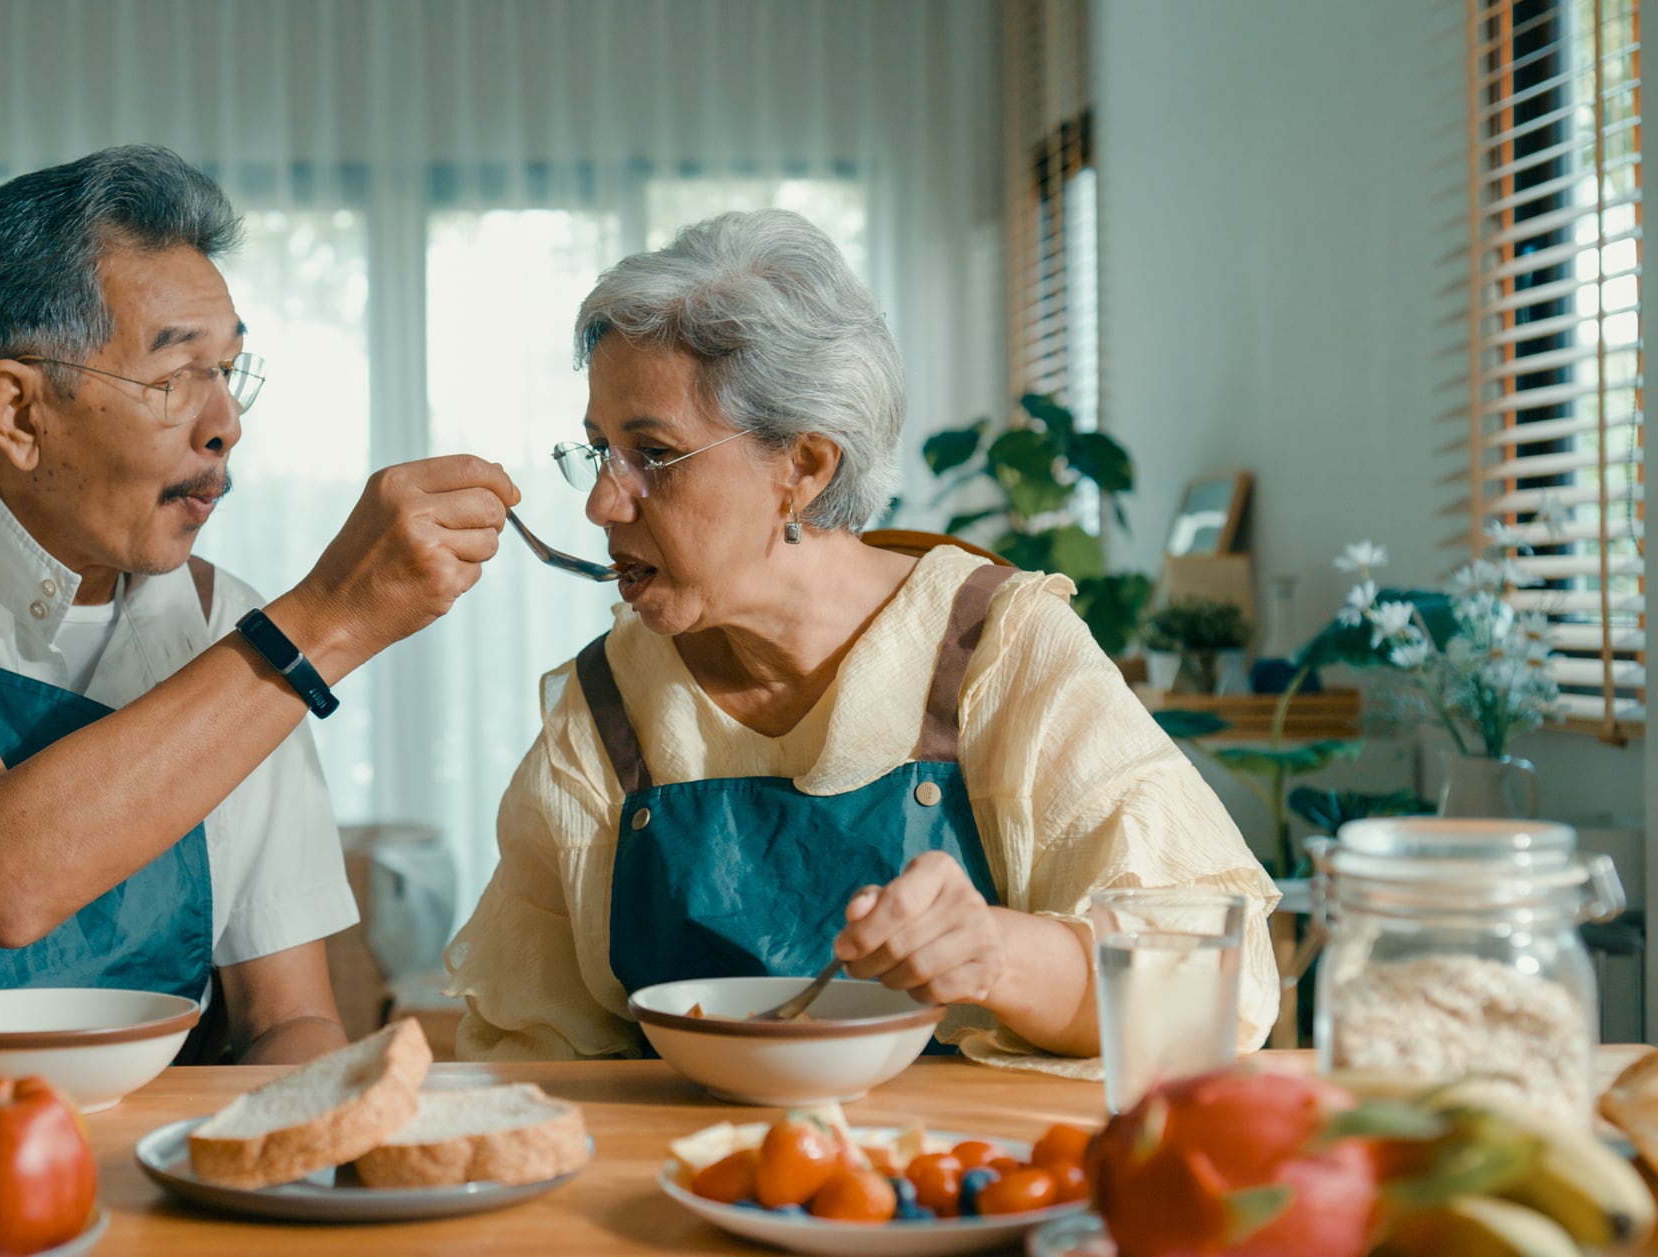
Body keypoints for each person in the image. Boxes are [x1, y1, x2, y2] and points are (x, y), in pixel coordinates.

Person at [0, 146, 518, 1067]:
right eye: (175, 377)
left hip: (128, 1167)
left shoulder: (227, 627)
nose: (225, 424)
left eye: (229, 371)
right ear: (19, 414)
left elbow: (287, 1019)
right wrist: (331, 620)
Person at [444, 210, 1277, 1063]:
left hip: (967, 1184)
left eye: (651, 454)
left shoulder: (997, 649)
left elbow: (1215, 984)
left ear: (804, 466)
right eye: (597, 451)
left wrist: (999, 953)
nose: (601, 504)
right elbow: (524, 1044)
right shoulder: (605, 708)